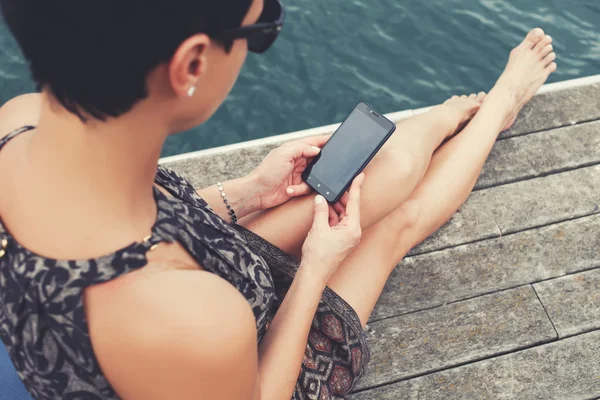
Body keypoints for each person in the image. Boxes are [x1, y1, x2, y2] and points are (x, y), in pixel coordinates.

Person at [0, 0, 556, 397]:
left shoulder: (19, 125)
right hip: (227, 366)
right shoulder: (189, 323)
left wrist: (248, 193)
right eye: (261, 26)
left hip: (181, 280)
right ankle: (500, 105)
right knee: (389, 231)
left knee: (381, 170)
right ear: (192, 64)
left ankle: (451, 120)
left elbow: (131, 226)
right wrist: (316, 267)